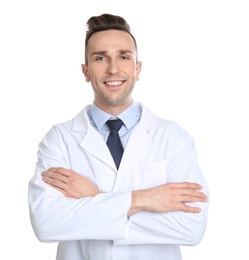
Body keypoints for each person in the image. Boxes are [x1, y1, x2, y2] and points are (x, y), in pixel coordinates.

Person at [28, 13, 209, 260]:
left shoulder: (173, 137)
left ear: (137, 69)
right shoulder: (60, 139)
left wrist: (94, 199)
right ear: (86, 71)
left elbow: (190, 228)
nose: (113, 68)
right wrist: (146, 199)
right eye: (100, 58)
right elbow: (47, 222)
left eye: (123, 57)